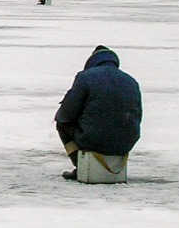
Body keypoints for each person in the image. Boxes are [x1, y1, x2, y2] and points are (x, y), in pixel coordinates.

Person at [54, 46, 142, 180]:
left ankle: (80, 167)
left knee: (62, 125)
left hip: (93, 139)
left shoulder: (85, 77)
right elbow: (138, 116)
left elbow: (65, 115)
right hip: (126, 142)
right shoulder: (131, 80)